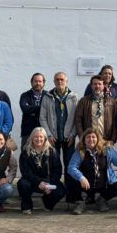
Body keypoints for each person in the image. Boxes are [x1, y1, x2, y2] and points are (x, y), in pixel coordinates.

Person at [68, 128, 117, 215]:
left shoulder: (107, 150)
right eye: (88, 137)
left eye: (93, 137)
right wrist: (81, 177)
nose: (91, 139)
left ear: (98, 139)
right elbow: (71, 167)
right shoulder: (80, 152)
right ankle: (80, 203)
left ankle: (101, 200)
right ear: (84, 140)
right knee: (70, 178)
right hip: (86, 186)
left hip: (103, 185)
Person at [39, 72, 79, 203]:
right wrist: (48, 134)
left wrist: (73, 134)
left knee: (70, 166)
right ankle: (54, 196)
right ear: (54, 81)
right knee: (54, 167)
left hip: (69, 138)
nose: (59, 81)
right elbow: (42, 118)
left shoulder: (73, 97)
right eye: (57, 79)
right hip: (53, 138)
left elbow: (77, 118)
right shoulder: (47, 97)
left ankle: (71, 197)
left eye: (62, 79)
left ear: (66, 81)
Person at [17, 127, 65, 214]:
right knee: (22, 184)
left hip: (48, 181)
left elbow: (57, 169)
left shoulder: (52, 151)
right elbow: (25, 172)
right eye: (36, 137)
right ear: (32, 138)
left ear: (45, 138)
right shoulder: (25, 152)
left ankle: (47, 203)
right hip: (32, 181)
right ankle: (27, 206)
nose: (38, 139)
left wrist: (50, 183)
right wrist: (38, 182)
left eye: (41, 137)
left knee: (61, 189)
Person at [75, 74, 117, 143]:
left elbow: (115, 122)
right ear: (91, 86)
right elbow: (78, 120)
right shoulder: (83, 101)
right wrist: (82, 137)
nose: (97, 86)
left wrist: (113, 140)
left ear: (103, 86)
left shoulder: (112, 102)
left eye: (99, 84)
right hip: (90, 141)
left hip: (106, 141)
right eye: (95, 84)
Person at [18, 73, 46, 147]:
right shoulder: (25, 95)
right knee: (26, 152)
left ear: (43, 83)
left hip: (44, 132)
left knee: (44, 153)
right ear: (31, 82)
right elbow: (25, 109)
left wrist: (31, 108)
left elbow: (50, 111)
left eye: (40, 81)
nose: (38, 83)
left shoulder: (48, 95)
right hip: (28, 132)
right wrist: (42, 108)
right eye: (35, 81)